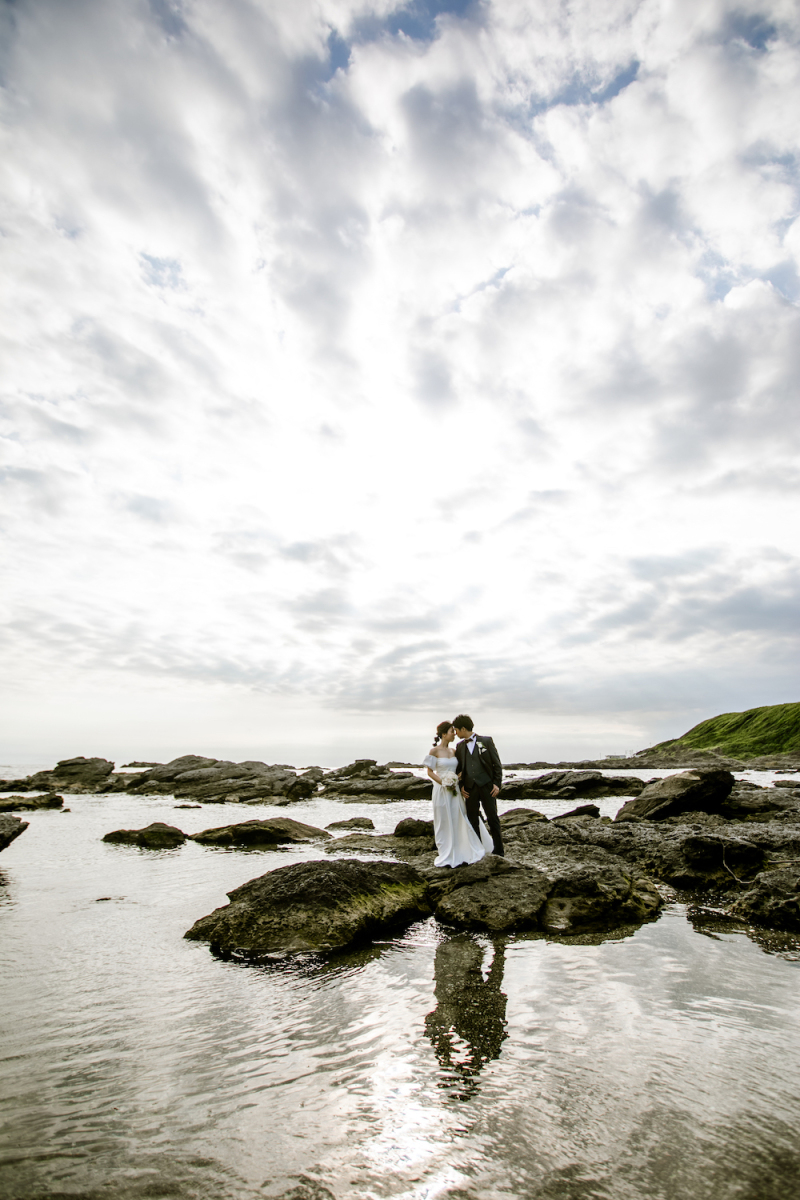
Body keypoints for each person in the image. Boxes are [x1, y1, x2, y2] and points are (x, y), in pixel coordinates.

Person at [423, 720, 493, 868]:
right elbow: (429, 772)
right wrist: (444, 782)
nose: (454, 734)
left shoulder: (454, 751)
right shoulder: (434, 751)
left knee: (459, 817)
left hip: (454, 789)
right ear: (443, 734)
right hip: (441, 790)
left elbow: (460, 770)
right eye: (451, 732)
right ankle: (446, 850)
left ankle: (464, 847)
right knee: (444, 820)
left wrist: (458, 779)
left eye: (455, 731)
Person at [453, 715, 504, 857]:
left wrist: (497, 784)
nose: (456, 733)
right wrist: (462, 785)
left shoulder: (486, 741)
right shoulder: (459, 746)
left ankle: (499, 851)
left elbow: (497, 764)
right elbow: (459, 769)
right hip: (470, 788)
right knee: (472, 819)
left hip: (487, 786)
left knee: (492, 818)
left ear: (463, 729)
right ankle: (478, 850)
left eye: (456, 730)